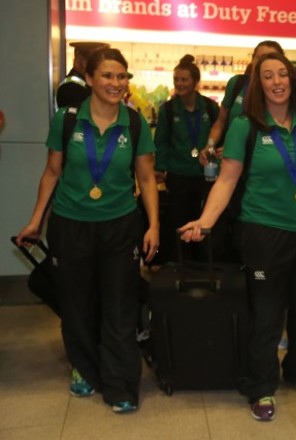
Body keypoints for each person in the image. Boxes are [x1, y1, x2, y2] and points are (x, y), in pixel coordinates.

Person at [180, 52, 296, 422]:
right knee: (267, 314)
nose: (277, 81)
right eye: (267, 76)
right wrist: (206, 220)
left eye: (283, 74)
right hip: (263, 232)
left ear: (292, 80)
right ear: (256, 85)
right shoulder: (246, 125)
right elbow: (226, 180)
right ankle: (261, 385)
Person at [16, 47, 159, 414]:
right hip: (71, 225)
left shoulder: (135, 122)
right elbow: (52, 173)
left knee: (119, 306)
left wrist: (154, 225)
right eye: (108, 76)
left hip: (119, 225)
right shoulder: (66, 119)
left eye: (121, 76)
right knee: (77, 305)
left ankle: (121, 385)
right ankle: (85, 368)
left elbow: (145, 177)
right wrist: (35, 220)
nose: (115, 83)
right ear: (91, 79)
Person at [153, 54, 220, 261]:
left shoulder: (210, 107)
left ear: (195, 82)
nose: (179, 84)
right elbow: (161, 142)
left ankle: (202, 262)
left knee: (204, 220)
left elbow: (219, 136)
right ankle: (179, 262)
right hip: (178, 174)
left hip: (205, 176)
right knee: (178, 220)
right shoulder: (168, 110)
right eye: (176, 80)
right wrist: (159, 169)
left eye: (184, 79)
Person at [198, 40, 284, 167]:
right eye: (260, 58)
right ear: (253, 60)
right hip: (230, 165)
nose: (264, 62)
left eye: (271, 58)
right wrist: (210, 146)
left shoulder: (281, 93)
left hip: (262, 165)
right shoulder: (237, 84)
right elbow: (220, 123)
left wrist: (237, 148)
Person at [56, 41, 109, 109]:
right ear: (78, 61)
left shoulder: (86, 83)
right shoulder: (71, 89)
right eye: (90, 62)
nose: (95, 66)